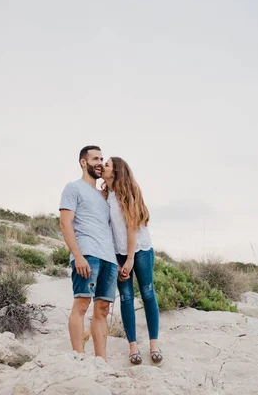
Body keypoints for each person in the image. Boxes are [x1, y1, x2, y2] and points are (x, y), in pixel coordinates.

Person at [59, 145, 119, 361]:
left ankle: (100, 361)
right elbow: (65, 224)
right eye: (95, 158)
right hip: (87, 254)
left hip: (109, 259)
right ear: (83, 162)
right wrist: (78, 255)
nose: (100, 163)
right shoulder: (73, 188)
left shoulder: (104, 196)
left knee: (102, 309)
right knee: (82, 304)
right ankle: (79, 358)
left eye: (102, 159)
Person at [102, 156, 162, 366]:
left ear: (116, 171)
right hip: (118, 253)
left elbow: (131, 228)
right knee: (126, 297)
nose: (102, 166)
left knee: (147, 293)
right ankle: (133, 346)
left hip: (140, 250)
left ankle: (154, 344)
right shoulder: (104, 195)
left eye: (107, 164)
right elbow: (106, 231)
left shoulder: (128, 194)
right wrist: (115, 259)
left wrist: (129, 259)